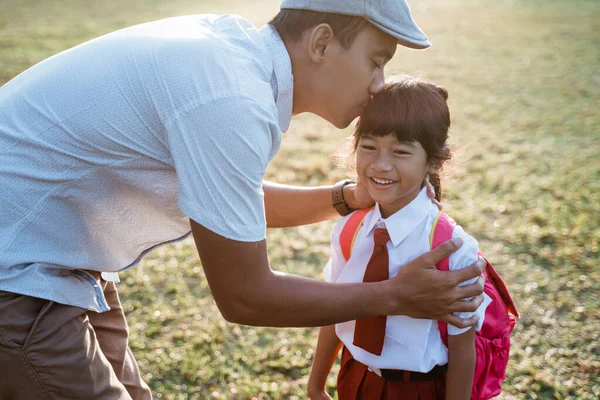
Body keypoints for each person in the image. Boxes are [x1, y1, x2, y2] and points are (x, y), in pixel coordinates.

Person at [0, 1, 486, 398]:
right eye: (376, 60)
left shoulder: (230, 52)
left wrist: (346, 197)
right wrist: (394, 296)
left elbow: (230, 204)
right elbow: (244, 295)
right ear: (321, 42)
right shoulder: (231, 101)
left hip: (58, 251)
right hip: (18, 269)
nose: (379, 82)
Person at [307, 75, 492, 400]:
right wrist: (316, 383)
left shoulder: (453, 249)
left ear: (435, 160)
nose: (381, 164)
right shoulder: (351, 229)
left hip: (418, 390)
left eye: (401, 152)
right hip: (353, 377)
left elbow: (464, 351)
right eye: (368, 147)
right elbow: (333, 309)